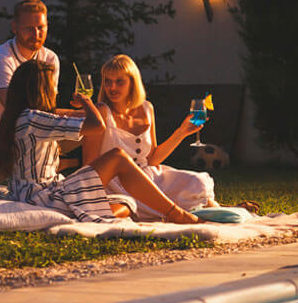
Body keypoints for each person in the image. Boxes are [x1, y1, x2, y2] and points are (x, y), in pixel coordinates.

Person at [0, 59, 202, 223]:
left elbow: (63, 118)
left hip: (47, 190)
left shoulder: (23, 117)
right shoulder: (33, 118)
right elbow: (97, 126)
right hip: (41, 196)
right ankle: (176, 214)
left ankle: (82, 214)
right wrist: (86, 101)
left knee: (127, 203)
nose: (56, 91)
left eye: (119, 81)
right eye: (51, 86)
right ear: (39, 89)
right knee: (118, 157)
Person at [82, 54, 216, 220]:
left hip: (150, 175)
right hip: (118, 184)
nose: (112, 87)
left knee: (197, 182)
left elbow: (152, 159)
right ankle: (197, 212)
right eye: (107, 81)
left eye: (119, 81)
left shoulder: (147, 108)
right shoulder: (101, 112)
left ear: (133, 82)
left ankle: (219, 210)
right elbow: (89, 165)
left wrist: (181, 132)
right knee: (155, 205)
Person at [0, 0, 59, 160]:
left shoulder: (50, 58)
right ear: (14, 28)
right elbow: (18, 111)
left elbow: (48, 107)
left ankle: (94, 181)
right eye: (29, 29)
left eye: (41, 27)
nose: (36, 34)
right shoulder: (0, 59)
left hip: (31, 129)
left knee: (94, 126)